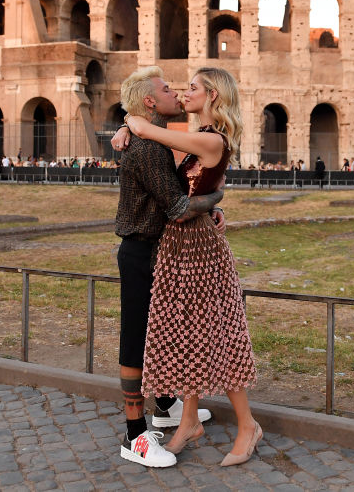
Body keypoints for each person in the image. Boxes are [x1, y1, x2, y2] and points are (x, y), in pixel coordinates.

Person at [123, 67, 260, 467]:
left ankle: (247, 425)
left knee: (215, 332)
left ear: (213, 95)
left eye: (194, 88)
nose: (185, 92)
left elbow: (151, 132)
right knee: (187, 333)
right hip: (182, 243)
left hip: (198, 247)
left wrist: (130, 122)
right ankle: (187, 420)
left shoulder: (210, 138)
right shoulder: (203, 135)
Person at [111, 66, 225, 468]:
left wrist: (128, 124)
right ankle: (134, 435)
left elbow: (178, 191)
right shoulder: (146, 149)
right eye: (165, 88)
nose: (174, 91)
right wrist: (217, 197)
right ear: (149, 102)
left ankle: (164, 405)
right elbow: (178, 207)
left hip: (153, 248)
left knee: (156, 330)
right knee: (135, 338)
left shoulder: (149, 141)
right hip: (141, 251)